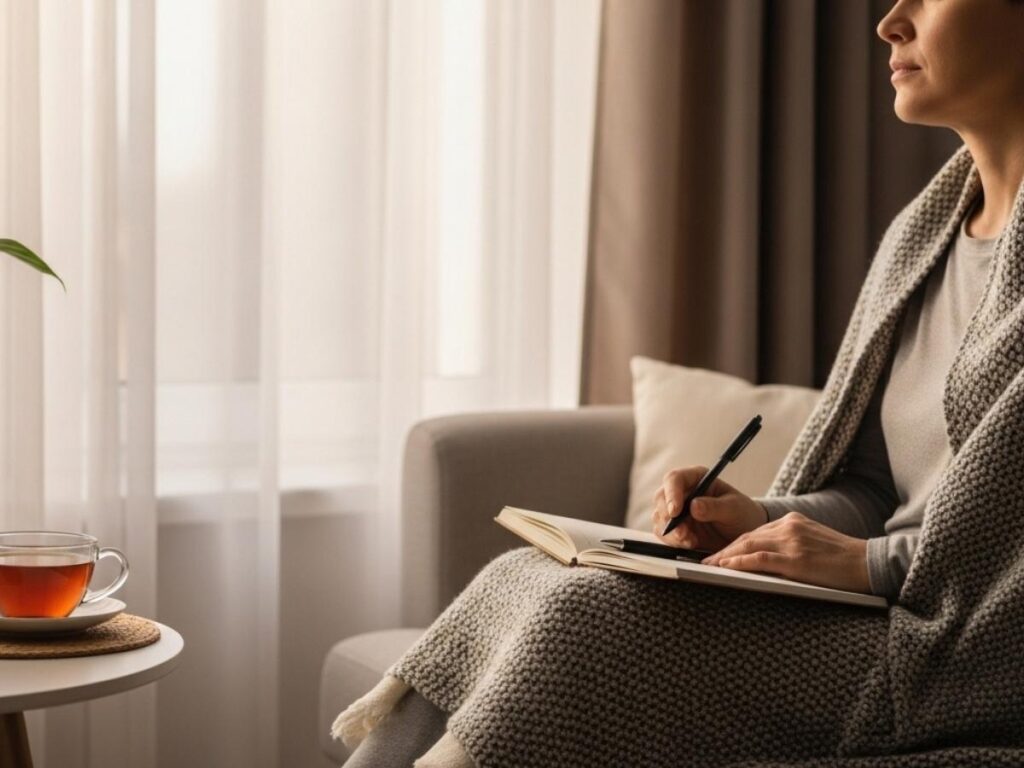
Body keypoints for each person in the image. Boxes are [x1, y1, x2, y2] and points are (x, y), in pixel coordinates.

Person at [338, 0, 1024, 765]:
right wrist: (756, 519)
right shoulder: (920, 242)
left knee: (588, 620)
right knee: (523, 575)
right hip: (882, 611)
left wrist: (862, 564)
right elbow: (875, 491)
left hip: (948, 662)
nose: (891, 21)